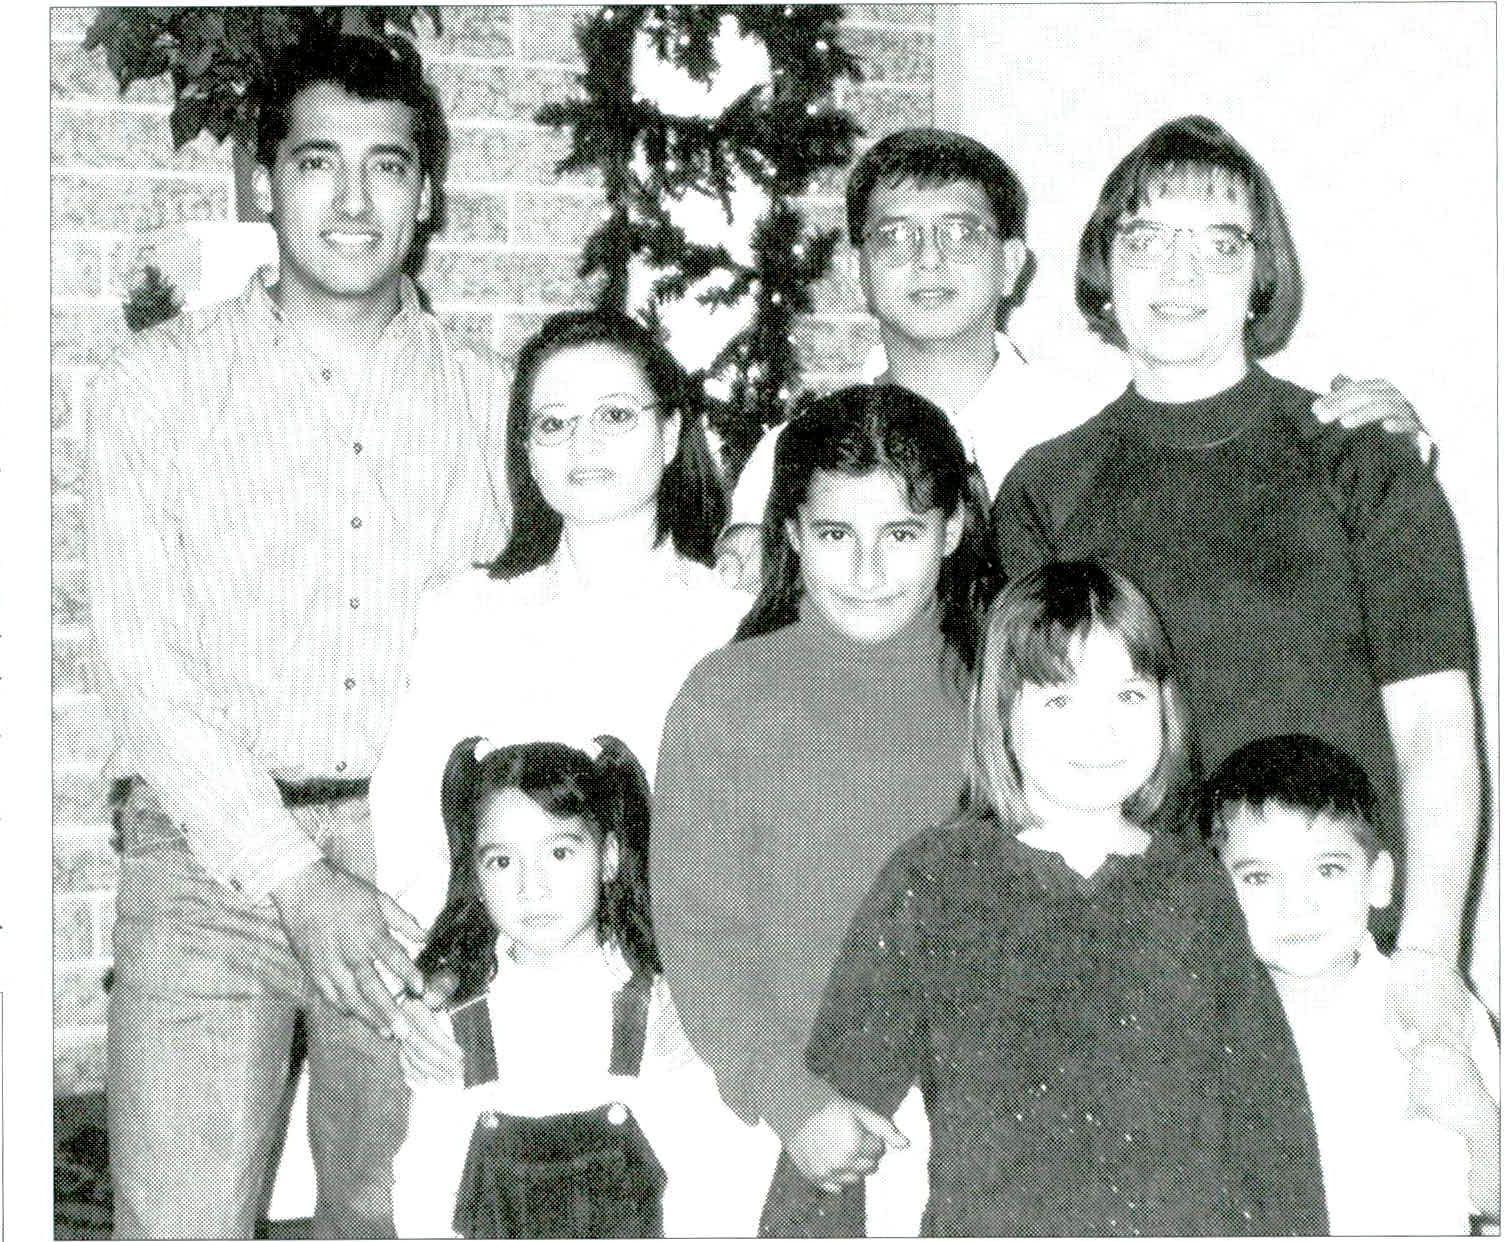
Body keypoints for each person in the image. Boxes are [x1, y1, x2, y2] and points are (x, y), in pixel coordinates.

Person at [86, 31, 507, 1239]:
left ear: (427, 194)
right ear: (265, 182)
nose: (354, 200)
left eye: (388, 166)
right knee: (180, 1223)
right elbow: (141, 666)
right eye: (319, 162)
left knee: (398, 1217)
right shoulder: (156, 387)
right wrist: (295, 875)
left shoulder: (493, 399)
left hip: (418, 868)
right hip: (205, 866)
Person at [992, 114, 1481, 1055]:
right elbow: (1031, 764)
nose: (1179, 275)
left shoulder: (1362, 461)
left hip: (1347, 958)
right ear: (1103, 268)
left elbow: (1434, 727)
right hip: (1138, 974)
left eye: (1218, 245)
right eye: (1147, 241)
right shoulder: (1045, 491)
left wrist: (1427, 953)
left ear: (1261, 277)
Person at [788, 561, 1327, 1235]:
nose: (1100, 731)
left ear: (1166, 707)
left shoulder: (1195, 886)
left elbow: (1270, 1122)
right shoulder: (934, 880)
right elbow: (835, 1115)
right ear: (1001, 716)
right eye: (1059, 701)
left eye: (1128, 696)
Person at [718, 127, 1426, 589]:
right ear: (856, 268)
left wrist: (1387, 435)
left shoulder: (1087, 431)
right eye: (896, 237)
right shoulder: (791, 452)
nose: (929, 260)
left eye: (960, 234)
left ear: (1011, 266)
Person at [651, 384, 1005, 1236]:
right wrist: (791, 1100)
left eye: (902, 535)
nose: (869, 573)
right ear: (790, 533)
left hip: (975, 1116)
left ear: (953, 529)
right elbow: (699, 936)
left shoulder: (1003, 696)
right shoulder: (726, 697)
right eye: (837, 535)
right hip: (779, 1116)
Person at [369, 308, 744, 933]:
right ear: (526, 451)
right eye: (554, 423)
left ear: (671, 433)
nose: (583, 444)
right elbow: (411, 834)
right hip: (497, 972)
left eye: (615, 415)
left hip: (689, 972)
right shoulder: (465, 618)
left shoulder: (736, 628)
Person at [385, 736, 777, 1238]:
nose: (532, 886)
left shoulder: (656, 1009)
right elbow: (426, 1180)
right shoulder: (457, 1022)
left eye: (560, 852)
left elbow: (712, 1172)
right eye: (502, 862)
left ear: (609, 858)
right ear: (476, 878)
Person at [1206, 734, 1500, 1235]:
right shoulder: (1209, 1023)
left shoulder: (1433, 1010)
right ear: (1214, 892)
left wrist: (1477, 1117)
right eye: (1258, 877)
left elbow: (1496, 1206)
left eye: (1328, 870)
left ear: (1379, 880)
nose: (1297, 904)